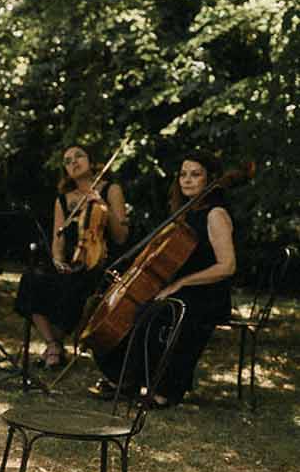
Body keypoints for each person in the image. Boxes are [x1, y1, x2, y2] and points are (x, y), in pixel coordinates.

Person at [94, 152, 236, 406]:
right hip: (183, 290)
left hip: (207, 294)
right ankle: (125, 379)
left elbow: (227, 266)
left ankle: (164, 390)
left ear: (210, 179)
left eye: (195, 174)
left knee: (156, 313)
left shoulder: (215, 214)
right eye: (183, 175)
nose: (187, 180)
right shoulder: (185, 212)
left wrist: (180, 283)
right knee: (135, 307)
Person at [14, 143, 130, 365]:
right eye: (67, 161)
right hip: (70, 262)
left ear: (91, 161)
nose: (73, 162)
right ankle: (52, 344)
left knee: (78, 284)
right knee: (31, 279)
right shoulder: (62, 199)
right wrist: (58, 261)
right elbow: (58, 240)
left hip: (101, 263)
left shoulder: (111, 189)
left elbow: (121, 237)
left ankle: (54, 349)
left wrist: (102, 205)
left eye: (78, 156)